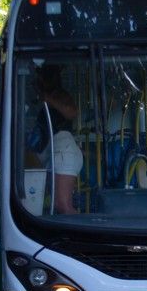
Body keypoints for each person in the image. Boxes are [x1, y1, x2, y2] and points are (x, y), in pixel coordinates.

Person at [33, 65, 83, 214]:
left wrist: (48, 98)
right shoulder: (42, 102)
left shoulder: (58, 95)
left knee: (63, 205)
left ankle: (86, 235)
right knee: (55, 205)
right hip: (56, 153)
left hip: (64, 152)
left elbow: (72, 112)